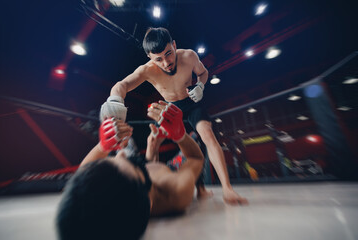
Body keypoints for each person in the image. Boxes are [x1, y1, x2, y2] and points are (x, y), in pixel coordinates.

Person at [100, 27, 246, 204]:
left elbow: (203, 73)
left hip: (193, 104)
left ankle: (227, 190)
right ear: (150, 58)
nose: (166, 62)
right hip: (171, 109)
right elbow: (120, 85)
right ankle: (151, 189)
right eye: (159, 59)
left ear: (174, 45)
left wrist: (200, 86)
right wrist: (115, 100)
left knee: (207, 135)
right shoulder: (147, 70)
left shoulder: (189, 56)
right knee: (153, 141)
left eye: (169, 53)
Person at [56, 102, 216, 239]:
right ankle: (158, 154)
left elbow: (84, 174)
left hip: (146, 166)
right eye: (124, 162)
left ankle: (150, 150)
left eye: (111, 159)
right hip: (167, 169)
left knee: (123, 141)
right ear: (148, 200)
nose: (120, 156)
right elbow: (195, 159)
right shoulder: (175, 191)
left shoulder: (120, 198)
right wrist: (180, 135)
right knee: (196, 138)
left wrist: (103, 146)